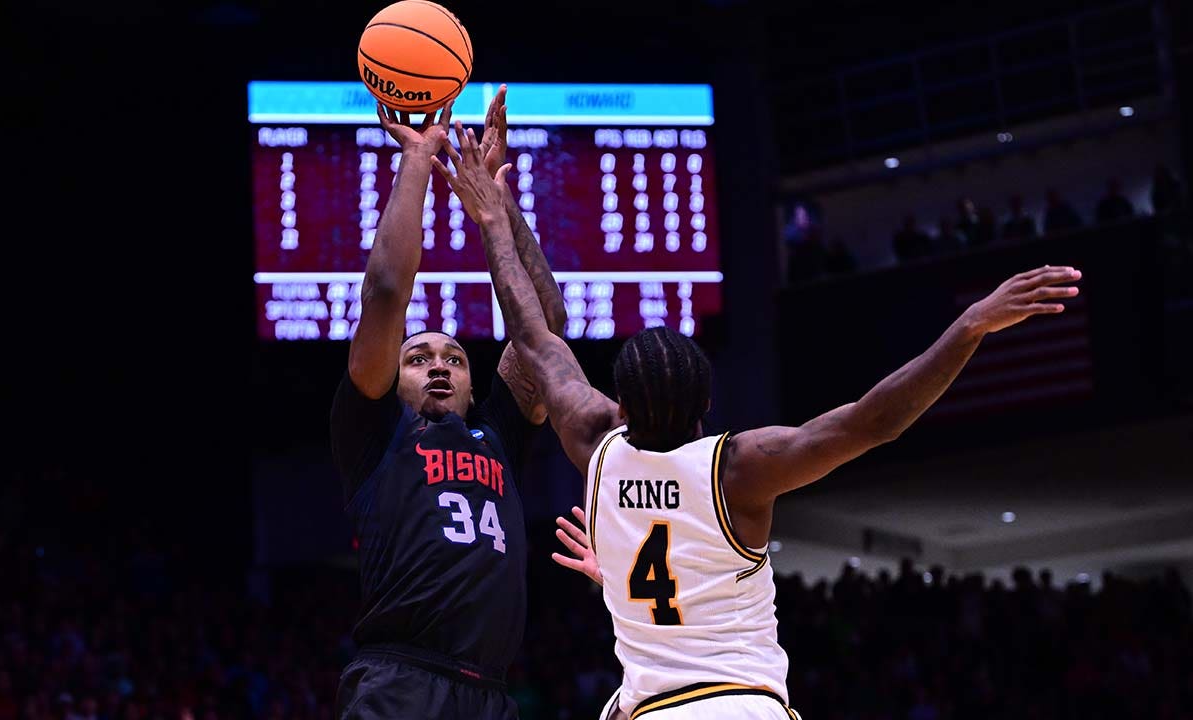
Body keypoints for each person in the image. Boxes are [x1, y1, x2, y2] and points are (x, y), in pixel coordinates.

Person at [434, 121, 1082, 720]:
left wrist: (494, 213)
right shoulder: (739, 467)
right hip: (735, 704)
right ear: (708, 407)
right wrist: (970, 326)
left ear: (621, 408)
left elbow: (532, 331)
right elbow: (875, 420)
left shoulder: (594, 440)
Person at [328, 86, 566, 720]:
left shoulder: (500, 434)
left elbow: (543, 325)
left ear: (470, 381)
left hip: (490, 693)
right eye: (418, 357)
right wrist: (419, 154)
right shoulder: (375, 433)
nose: (438, 366)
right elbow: (384, 289)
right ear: (394, 378)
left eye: (454, 359)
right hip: (399, 681)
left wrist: (498, 202)